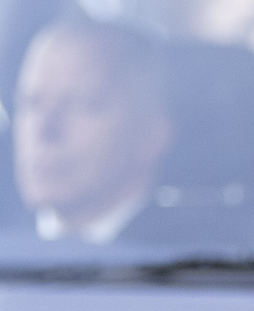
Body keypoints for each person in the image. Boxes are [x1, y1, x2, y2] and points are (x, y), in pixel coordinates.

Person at [11, 17, 173, 246]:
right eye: (31, 103)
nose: (44, 130)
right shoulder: (10, 245)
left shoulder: (203, 261)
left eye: (81, 104)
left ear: (151, 136)